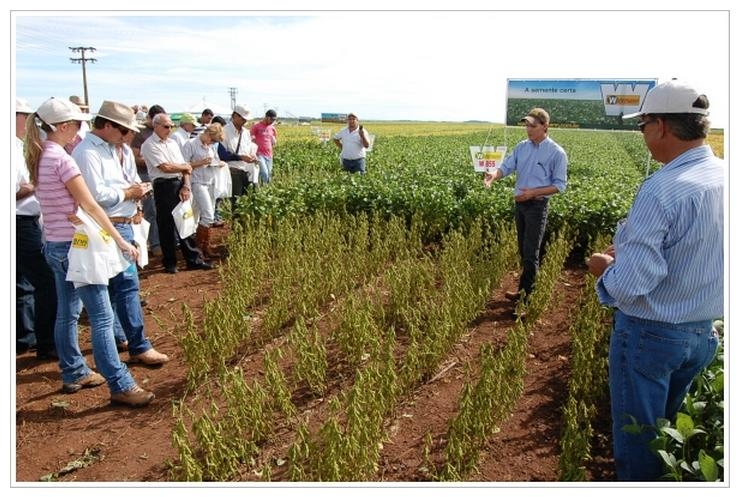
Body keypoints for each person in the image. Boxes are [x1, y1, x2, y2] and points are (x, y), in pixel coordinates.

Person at [586, 80, 723, 481]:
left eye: (643, 125)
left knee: (640, 445)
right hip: (703, 335)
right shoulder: (725, 177)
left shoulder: (663, 189)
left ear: (661, 125)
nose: (643, 135)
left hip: (650, 336)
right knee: (663, 435)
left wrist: (605, 268)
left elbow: (632, 286)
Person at [25, 97, 154, 407]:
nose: (79, 130)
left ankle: (72, 371)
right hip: (77, 247)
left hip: (55, 244)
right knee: (102, 316)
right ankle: (120, 383)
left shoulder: (40, 155)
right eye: (77, 125)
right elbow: (91, 205)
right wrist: (122, 242)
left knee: (67, 312)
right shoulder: (63, 159)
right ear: (64, 126)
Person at [72, 100, 169, 366]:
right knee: (125, 285)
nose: (129, 136)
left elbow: (130, 181)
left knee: (121, 285)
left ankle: (122, 336)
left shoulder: (117, 149)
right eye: (125, 130)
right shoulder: (87, 152)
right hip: (106, 226)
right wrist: (130, 194)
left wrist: (136, 201)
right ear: (107, 126)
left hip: (125, 222)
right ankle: (138, 345)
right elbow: (94, 196)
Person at [483, 108, 568, 304]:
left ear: (545, 127)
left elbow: (559, 185)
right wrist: (493, 176)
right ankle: (523, 291)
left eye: (533, 125)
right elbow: (506, 167)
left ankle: (527, 300)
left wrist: (533, 193)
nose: (528, 129)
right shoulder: (522, 147)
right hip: (520, 206)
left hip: (537, 207)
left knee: (531, 253)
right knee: (523, 250)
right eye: (526, 125)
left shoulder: (556, 153)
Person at [141, 113, 214, 274]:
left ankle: (193, 259)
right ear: (156, 126)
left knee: (186, 221)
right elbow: (165, 167)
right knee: (166, 225)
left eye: (171, 126)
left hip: (179, 183)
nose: (169, 130)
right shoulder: (149, 145)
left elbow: (185, 167)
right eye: (166, 127)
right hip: (163, 186)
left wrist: (186, 186)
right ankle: (170, 262)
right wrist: (184, 167)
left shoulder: (173, 143)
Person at [15, 98, 57, 359]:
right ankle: (46, 342)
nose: (30, 123)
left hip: (27, 222)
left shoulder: (19, 146)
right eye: (26, 116)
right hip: (20, 223)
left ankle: (25, 337)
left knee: (23, 282)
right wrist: (36, 184)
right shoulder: (11, 148)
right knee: (46, 280)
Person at [182, 123, 226, 257]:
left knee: (199, 216)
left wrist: (218, 164)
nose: (212, 143)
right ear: (207, 134)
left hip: (209, 182)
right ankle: (200, 249)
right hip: (197, 182)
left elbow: (212, 161)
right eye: (212, 140)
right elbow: (184, 166)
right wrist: (201, 163)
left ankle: (202, 247)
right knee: (207, 215)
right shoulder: (190, 144)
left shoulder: (210, 147)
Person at [131, 104, 166, 257]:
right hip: (146, 175)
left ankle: (166, 241)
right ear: (151, 119)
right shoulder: (140, 134)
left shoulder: (164, 134)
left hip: (162, 176)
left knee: (163, 211)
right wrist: (154, 161)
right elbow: (136, 157)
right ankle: (155, 243)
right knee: (150, 211)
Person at [218, 104, 258, 207]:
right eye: (242, 118)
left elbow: (249, 148)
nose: (244, 121)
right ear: (234, 116)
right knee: (236, 201)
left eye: (246, 119)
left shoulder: (246, 132)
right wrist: (240, 157)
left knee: (247, 199)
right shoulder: (224, 131)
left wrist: (253, 155)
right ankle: (235, 221)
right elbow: (222, 154)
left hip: (247, 170)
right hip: (233, 170)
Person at [251, 109, 278, 184]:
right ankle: (263, 190)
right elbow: (251, 139)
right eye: (271, 119)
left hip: (269, 154)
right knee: (264, 173)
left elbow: (274, 140)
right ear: (266, 117)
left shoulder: (272, 128)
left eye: (274, 120)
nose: (273, 121)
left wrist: (274, 141)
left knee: (269, 173)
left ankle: (265, 190)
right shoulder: (256, 126)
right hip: (259, 154)